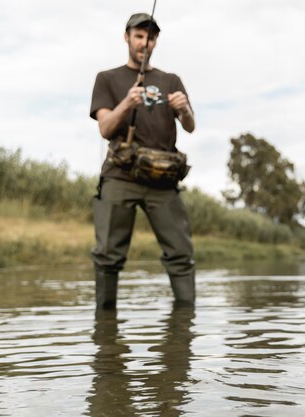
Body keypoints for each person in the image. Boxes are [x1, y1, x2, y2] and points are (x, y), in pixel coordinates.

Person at [89, 12, 196, 310]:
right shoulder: (107, 78)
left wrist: (184, 108)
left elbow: (190, 126)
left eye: (150, 37)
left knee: (180, 255)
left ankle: (184, 326)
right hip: (119, 177)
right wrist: (127, 103)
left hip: (163, 180)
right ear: (127, 37)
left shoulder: (171, 80)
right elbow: (105, 128)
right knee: (108, 256)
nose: (144, 43)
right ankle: (105, 331)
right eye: (138, 36)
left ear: (156, 41)